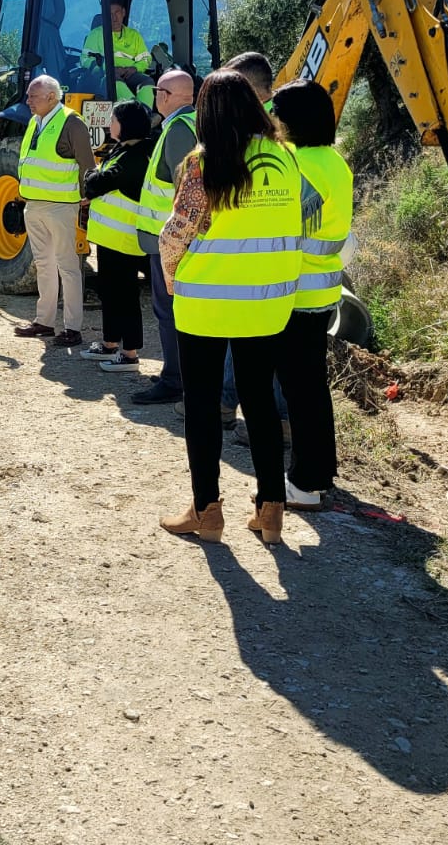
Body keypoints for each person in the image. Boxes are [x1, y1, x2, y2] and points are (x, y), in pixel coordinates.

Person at [158, 70, 302, 545]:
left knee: (201, 404)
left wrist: (172, 276)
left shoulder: (203, 162)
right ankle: (270, 510)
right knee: (258, 400)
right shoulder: (285, 158)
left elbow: (178, 231)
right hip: (268, 300)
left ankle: (206, 511)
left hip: (207, 301)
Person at [273, 79, 353, 511]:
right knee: (310, 389)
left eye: (276, 114)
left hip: (293, 293)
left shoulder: (297, 165)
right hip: (321, 291)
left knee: (299, 392)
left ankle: (305, 482)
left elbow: (282, 225)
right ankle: (319, 470)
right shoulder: (334, 162)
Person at [219, 51, 291, 433]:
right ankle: (229, 400)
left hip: (269, 265)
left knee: (268, 347)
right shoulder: (256, 133)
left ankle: (274, 419)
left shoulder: (275, 136)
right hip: (255, 264)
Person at [12, 75, 95, 347]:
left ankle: (73, 328)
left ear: (51, 97)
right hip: (34, 206)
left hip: (62, 207)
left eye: (32, 96)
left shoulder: (72, 123)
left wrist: (86, 200)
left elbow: (87, 165)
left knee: (68, 268)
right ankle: (44, 322)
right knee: (44, 265)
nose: (27, 101)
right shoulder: (35, 122)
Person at [131, 69, 195, 405]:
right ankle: (178, 373)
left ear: (166, 96)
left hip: (171, 242)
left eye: (157, 91)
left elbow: (186, 192)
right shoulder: (192, 124)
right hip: (181, 241)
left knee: (168, 311)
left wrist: (175, 239)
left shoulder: (178, 131)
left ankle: (175, 380)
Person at [80, 101, 154, 371]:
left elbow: (96, 183)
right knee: (109, 292)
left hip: (125, 240)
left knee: (125, 296)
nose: (109, 125)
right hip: (110, 238)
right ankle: (110, 343)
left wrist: (92, 177)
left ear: (127, 124)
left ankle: (130, 354)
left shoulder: (138, 156)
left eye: (113, 120)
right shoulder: (122, 150)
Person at [83, 0, 150, 73]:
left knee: (148, 84)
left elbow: (145, 58)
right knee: (119, 85)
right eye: (110, 14)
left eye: (117, 13)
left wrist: (135, 68)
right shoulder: (95, 35)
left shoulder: (134, 35)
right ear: (105, 16)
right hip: (108, 78)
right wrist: (105, 69)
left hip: (132, 74)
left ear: (123, 12)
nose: (114, 18)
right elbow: (85, 59)